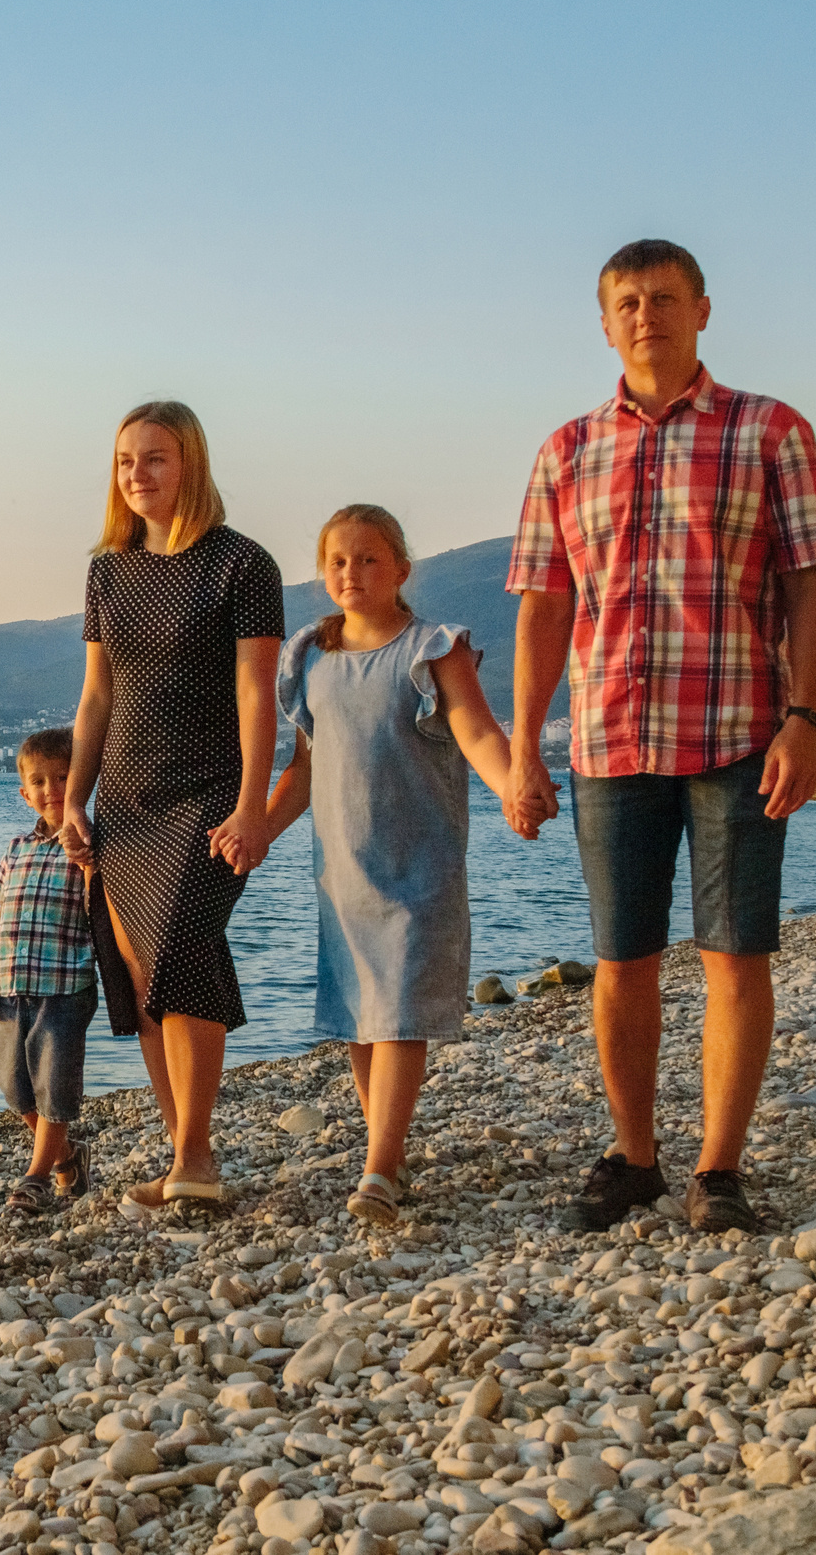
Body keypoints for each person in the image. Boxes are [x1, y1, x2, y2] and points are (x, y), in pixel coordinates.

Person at [506, 239, 816, 1237]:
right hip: (609, 739)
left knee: (735, 956)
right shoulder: (565, 450)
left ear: (701, 310)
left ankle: (719, 1167)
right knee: (623, 958)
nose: (645, 313)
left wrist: (805, 718)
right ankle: (635, 1154)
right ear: (604, 322)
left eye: (663, 298)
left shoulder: (770, 430)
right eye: (626, 301)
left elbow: (811, 583)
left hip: (742, 730)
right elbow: (542, 606)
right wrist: (523, 743)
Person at [261, 506, 541, 1228]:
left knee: (400, 1018)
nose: (351, 574)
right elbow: (303, 768)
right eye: (338, 562)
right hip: (343, 871)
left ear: (401, 570)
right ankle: (386, 1154)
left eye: (368, 560)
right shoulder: (308, 659)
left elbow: (476, 730)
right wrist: (255, 830)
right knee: (363, 1015)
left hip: (420, 866)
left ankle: (380, 1167)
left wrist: (514, 784)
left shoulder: (431, 649)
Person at [59, 400, 284, 1207]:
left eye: (154, 458)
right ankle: (187, 1154)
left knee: (185, 947)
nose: (136, 474)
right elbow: (95, 698)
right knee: (143, 970)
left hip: (210, 793)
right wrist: (73, 802)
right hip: (125, 796)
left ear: (190, 462)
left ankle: (194, 1157)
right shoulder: (107, 570)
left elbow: (258, 695)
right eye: (125, 461)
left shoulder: (242, 565)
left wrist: (254, 805)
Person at [0, 726, 100, 1216]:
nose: (53, 790)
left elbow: (98, 911)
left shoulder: (89, 845)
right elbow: (2, 914)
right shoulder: (16, 848)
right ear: (26, 794)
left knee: (54, 1082)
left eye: (64, 778)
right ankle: (69, 1157)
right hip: (10, 984)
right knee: (15, 1085)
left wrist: (87, 862)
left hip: (64, 985)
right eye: (41, 782)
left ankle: (35, 1178)